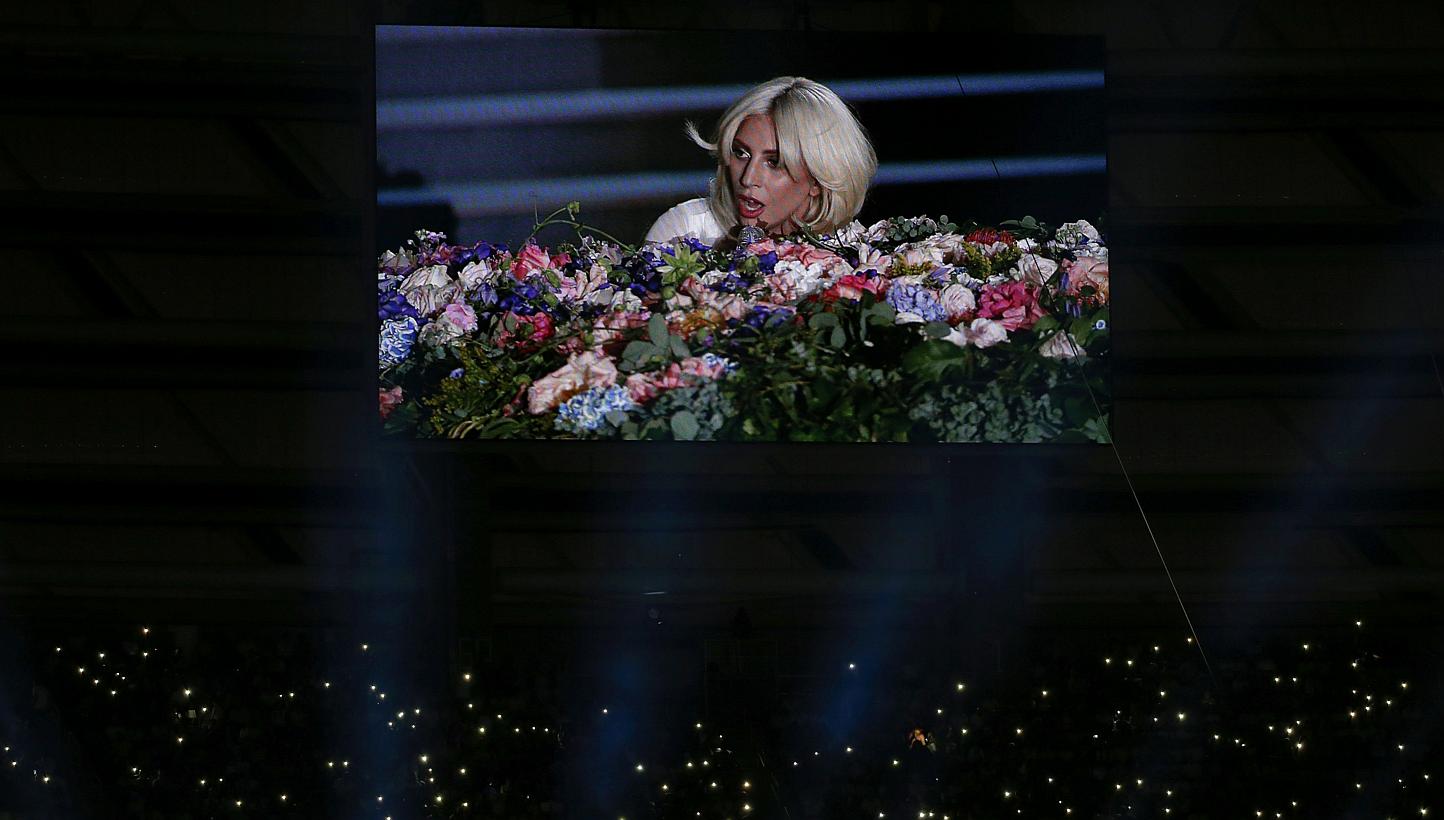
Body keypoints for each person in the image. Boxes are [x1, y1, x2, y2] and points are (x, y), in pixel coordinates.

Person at [645, 76, 877, 247]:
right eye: (741, 153)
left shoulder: (853, 251)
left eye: (774, 162)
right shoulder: (686, 229)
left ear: (817, 179)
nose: (748, 178)